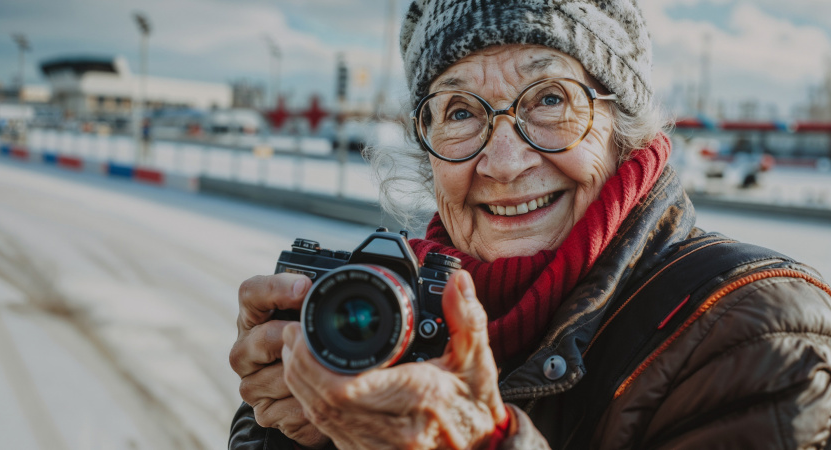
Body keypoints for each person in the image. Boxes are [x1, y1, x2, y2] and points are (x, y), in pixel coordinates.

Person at [229, 1, 831, 448]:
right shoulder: (387, 313)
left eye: (548, 99)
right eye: (460, 112)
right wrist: (301, 429)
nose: (504, 163)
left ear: (623, 130)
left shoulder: (757, 334)